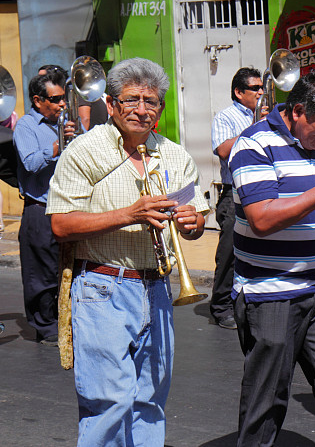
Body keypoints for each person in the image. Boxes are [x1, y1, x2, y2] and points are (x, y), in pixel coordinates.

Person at [47, 57, 209, 445]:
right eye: (132, 99)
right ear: (111, 103)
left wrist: (193, 223)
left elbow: (197, 219)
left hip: (157, 289)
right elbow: (60, 225)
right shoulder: (84, 151)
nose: (141, 110)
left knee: (150, 400)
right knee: (110, 403)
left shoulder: (174, 155)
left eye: (150, 101)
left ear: (162, 108)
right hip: (102, 287)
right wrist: (128, 214)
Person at [228, 69, 315, 447]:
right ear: (296, 112)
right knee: (267, 401)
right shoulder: (253, 145)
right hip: (270, 291)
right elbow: (262, 219)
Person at [13, 71, 74, 346]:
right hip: (40, 207)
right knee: (41, 273)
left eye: (64, 98)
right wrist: (57, 147)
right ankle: (45, 325)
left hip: (66, 208)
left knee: (66, 267)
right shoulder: (26, 126)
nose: (62, 105)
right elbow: (30, 163)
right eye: (56, 99)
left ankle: (67, 319)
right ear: (38, 100)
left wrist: (76, 140)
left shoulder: (62, 123)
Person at [209, 67, 264, 330]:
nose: (261, 92)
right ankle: (221, 306)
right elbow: (222, 149)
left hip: (261, 189)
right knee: (230, 251)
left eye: (262, 87)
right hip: (234, 192)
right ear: (239, 92)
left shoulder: (268, 114)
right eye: (255, 88)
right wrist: (255, 127)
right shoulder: (226, 116)